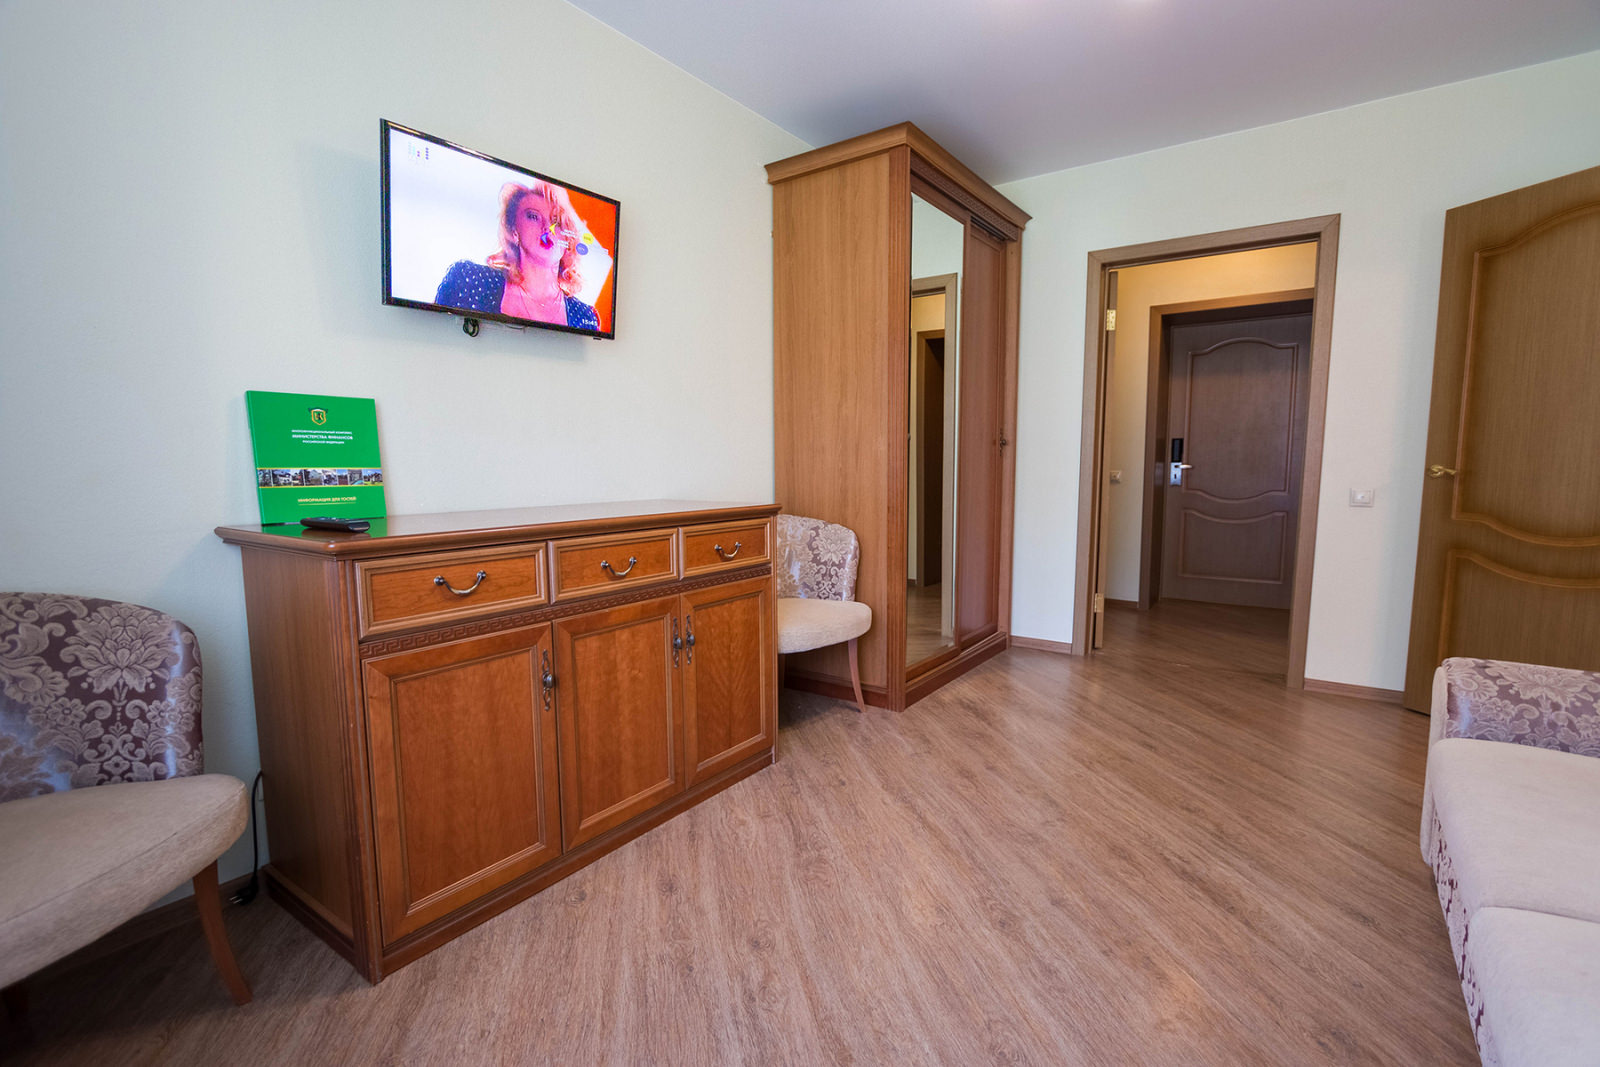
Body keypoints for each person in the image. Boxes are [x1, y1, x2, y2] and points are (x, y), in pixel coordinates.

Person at [435, 181, 600, 331]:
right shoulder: (470, 280)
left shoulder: (584, 316)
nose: (547, 228)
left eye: (555, 221)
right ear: (514, 231)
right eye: (533, 216)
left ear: (567, 238)